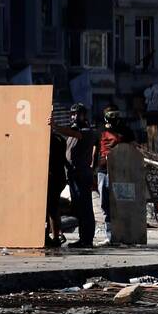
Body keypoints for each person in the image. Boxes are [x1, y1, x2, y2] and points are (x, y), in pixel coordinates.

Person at [96, 104, 136, 239]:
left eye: (117, 115)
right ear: (106, 117)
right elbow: (95, 149)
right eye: (111, 116)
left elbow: (133, 148)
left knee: (121, 202)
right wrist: (92, 167)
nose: (115, 118)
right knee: (105, 202)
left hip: (121, 169)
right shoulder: (100, 130)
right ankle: (110, 235)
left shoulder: (125, 131)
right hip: (103, 169)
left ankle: (124, 234)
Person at [61, 104, 99, 247]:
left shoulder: (86, 131)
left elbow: (75, 134)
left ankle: (87, 240)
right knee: (79, 208)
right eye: (71, 114)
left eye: (76, 114)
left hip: (82, 175)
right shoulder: (73, 132)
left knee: (86, 208)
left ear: (83, 115)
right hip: (74, 175)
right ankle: (83, 239)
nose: (73, 117)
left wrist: (54, 126)